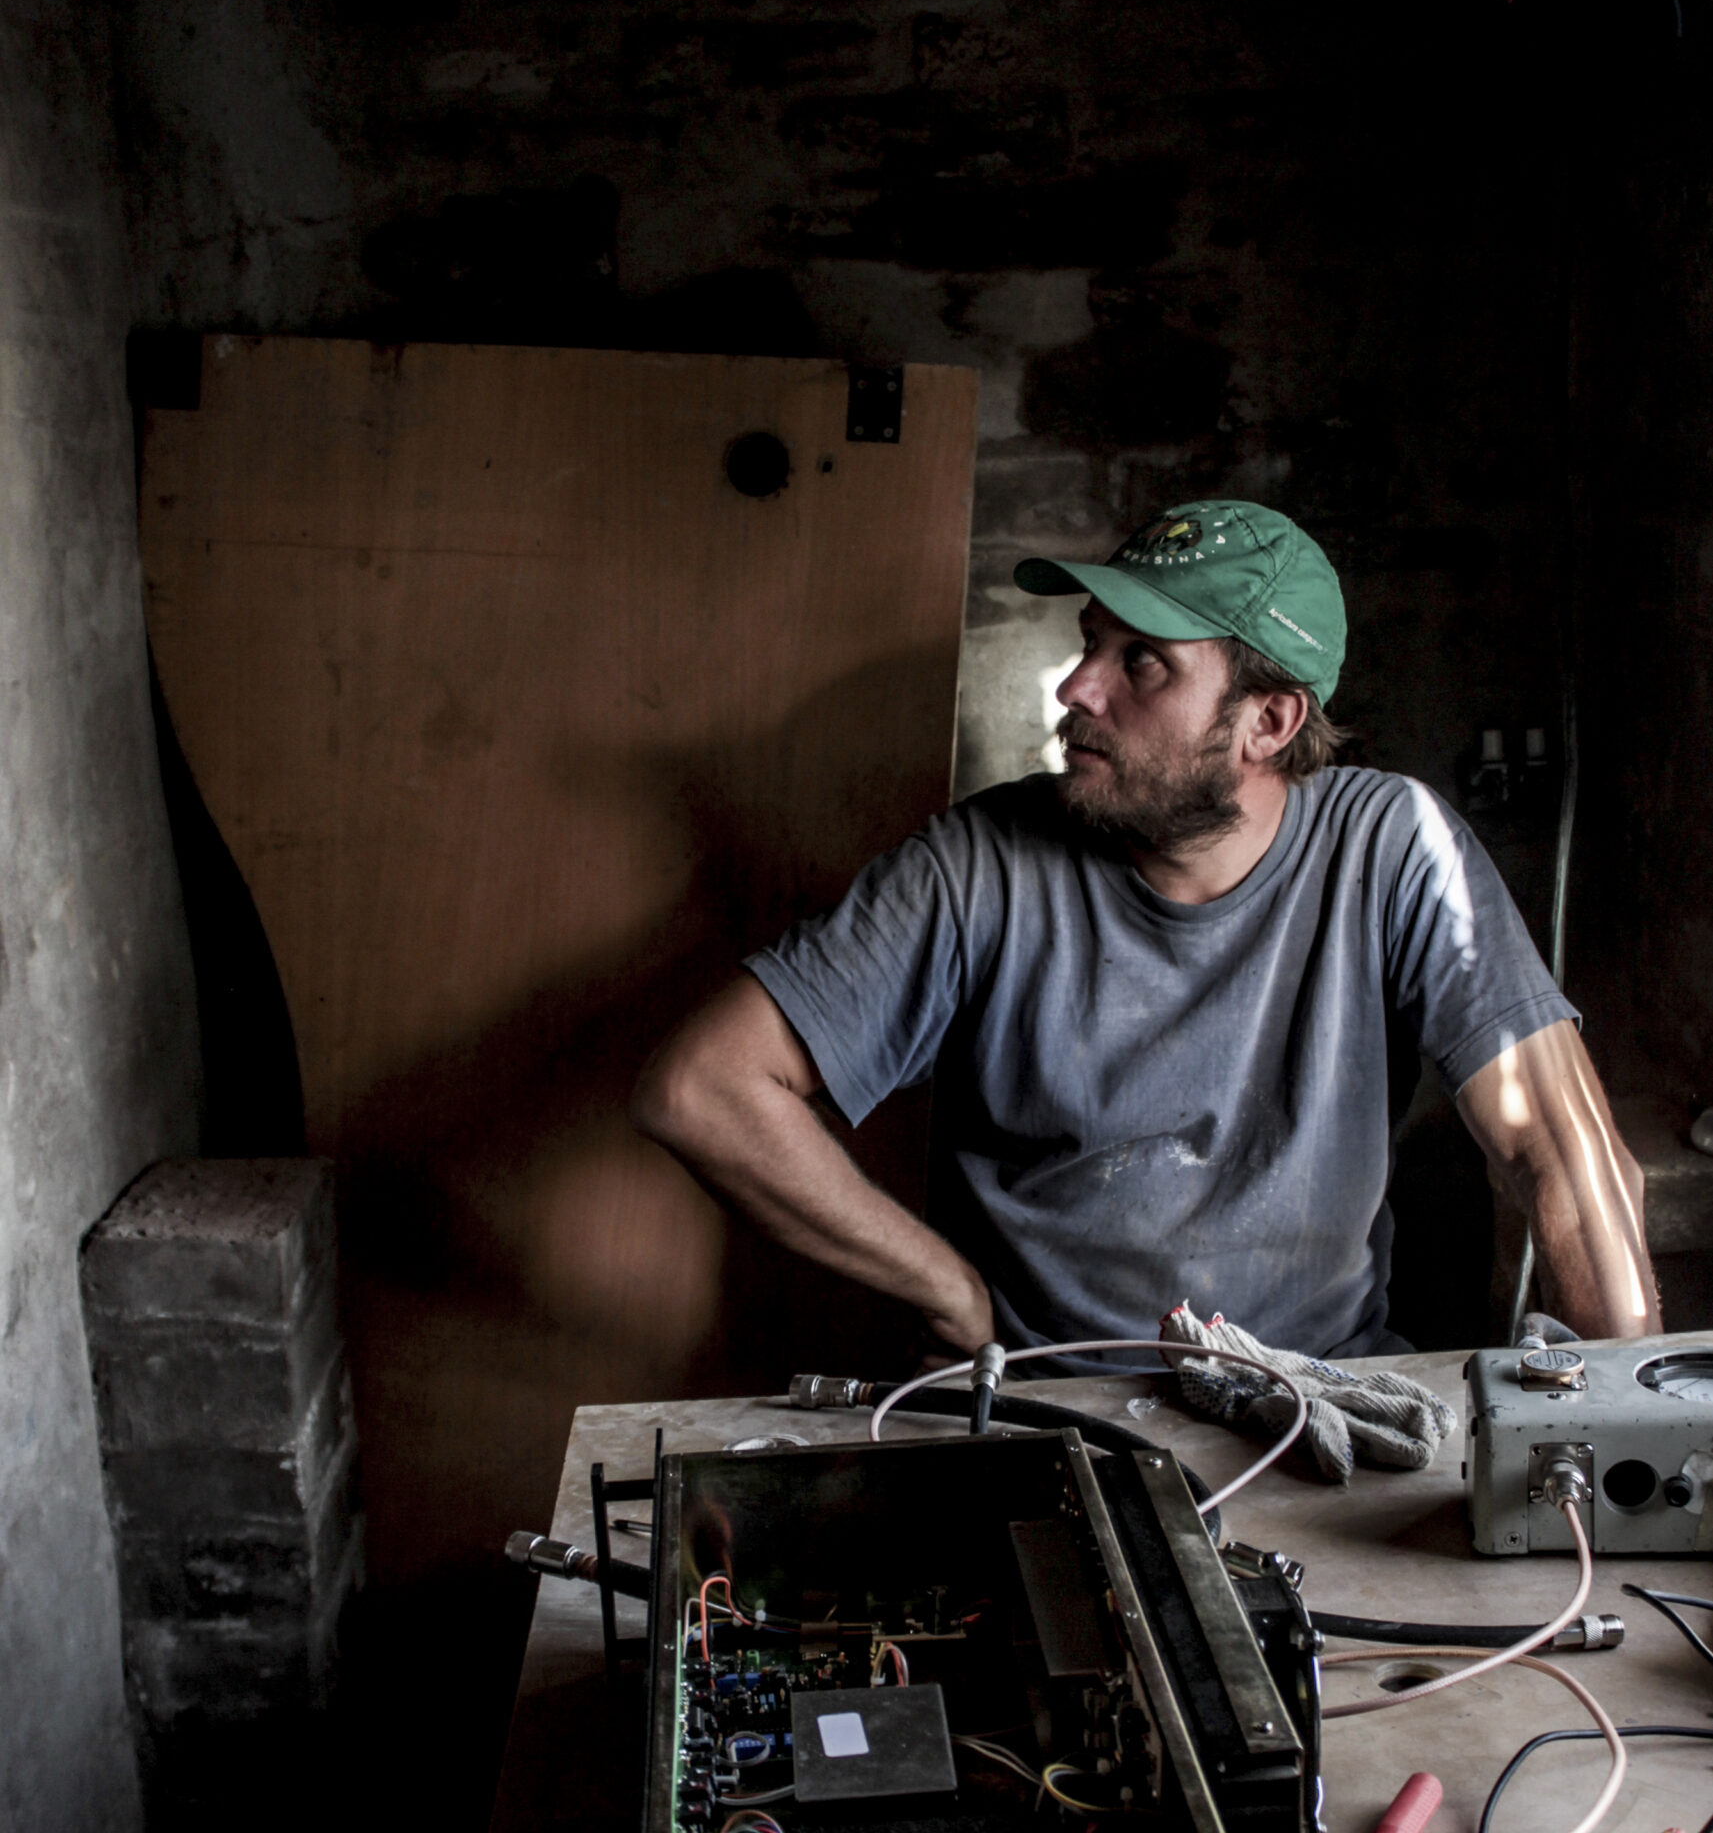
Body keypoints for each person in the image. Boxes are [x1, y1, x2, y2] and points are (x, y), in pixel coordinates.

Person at [632, 499, 1658, 1363]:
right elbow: (702, 1087)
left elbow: (1567, 1153)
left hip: (1319, 1408)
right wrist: (946, 1286)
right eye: (1090, 644)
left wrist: (1616, 1455)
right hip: (1054, 1413)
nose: (1079, 688)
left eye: (1144, 664)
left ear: (1270, 722)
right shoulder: (981, 862)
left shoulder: (1392, 846)